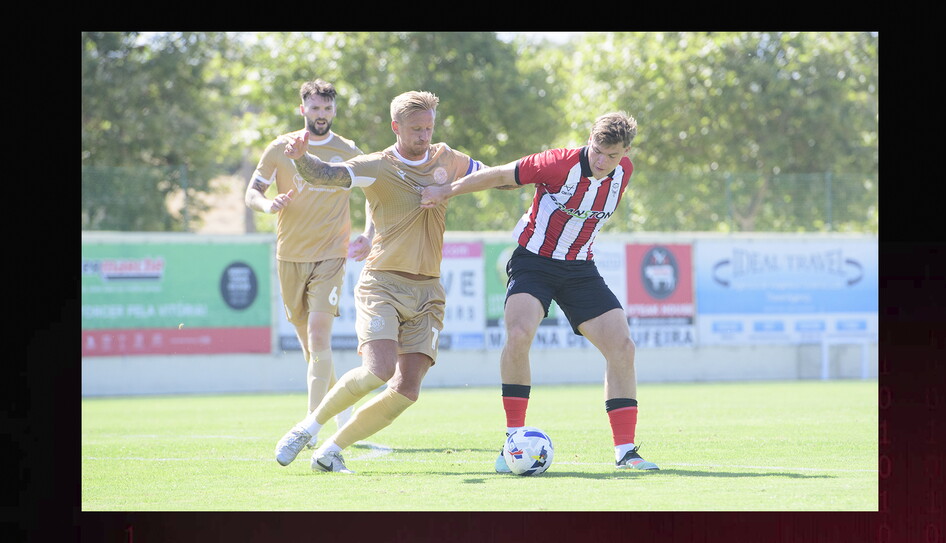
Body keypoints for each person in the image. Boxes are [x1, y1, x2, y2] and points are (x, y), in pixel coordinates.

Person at [420, 112, 660, 471]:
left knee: (622, 347)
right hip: (534, 262)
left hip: (580, 269)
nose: (602, 161)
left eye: (612, 156)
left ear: (625, 152)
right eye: (597, 151)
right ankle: (513, 441)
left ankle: (625, 452)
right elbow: (501, 174)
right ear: (589, 140)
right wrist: (447, 190)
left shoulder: (625, 172)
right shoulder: (556, 163)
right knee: (518, 334)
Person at [273, 90, 486, 473]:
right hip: (382, 284)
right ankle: (309, 426)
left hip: (429, 292)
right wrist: (301, 157)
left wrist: (451, 188)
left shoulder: (446, 158)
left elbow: (493, 177)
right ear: (396, 127)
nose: (424, 136)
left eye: (429, 128)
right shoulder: (378, 165)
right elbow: (327, 175)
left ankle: (331, 450)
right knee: (378, 370)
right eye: (416, 129)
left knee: (407, 390)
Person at [245, 79, 372, 447]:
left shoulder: (347, 150)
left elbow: (372, 192)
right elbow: (253, 192)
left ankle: (308, 432)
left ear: (334, 111)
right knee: (311, 349)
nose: (321, 116)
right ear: (303, 109)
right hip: (289, 256)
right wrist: (268, 205)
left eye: (327, 109)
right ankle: (343, 417)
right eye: (315, 109)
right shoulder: (279, 148)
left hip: (331, 255)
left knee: (319, 336)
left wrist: (368, 232)